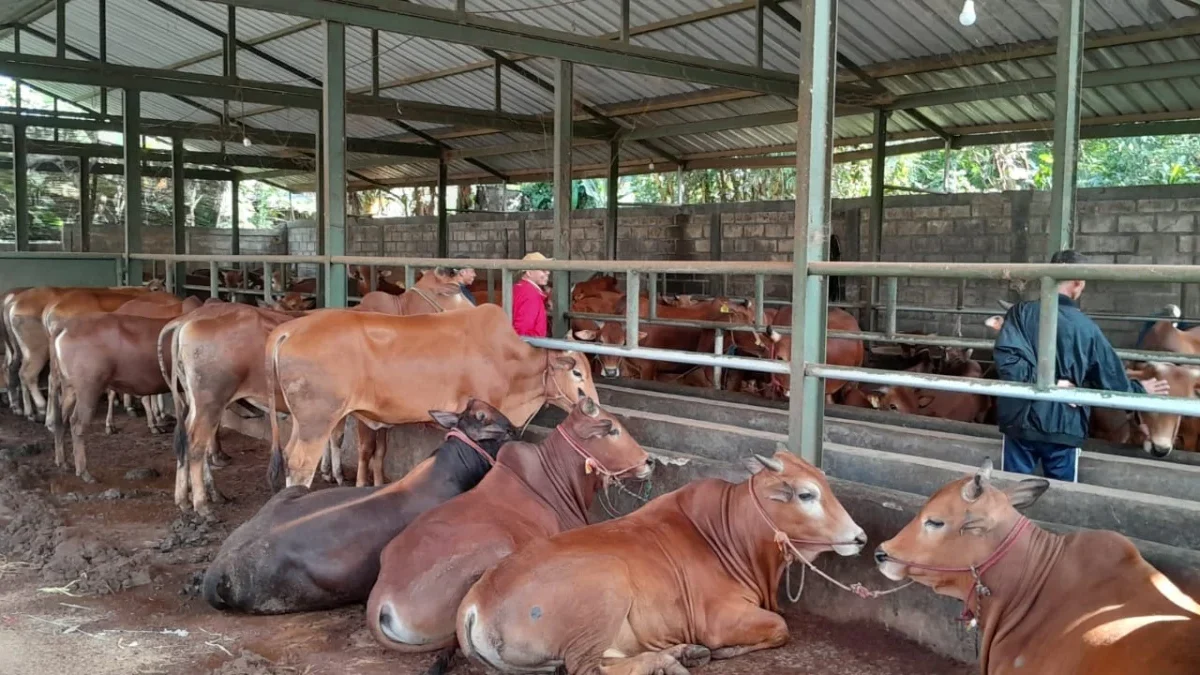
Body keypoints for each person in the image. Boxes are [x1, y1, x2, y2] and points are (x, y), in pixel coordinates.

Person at [992, 249, 1170, 482]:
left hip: (1019, 421)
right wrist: (1139, 390)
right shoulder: (1088, 329)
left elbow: (1009, 364)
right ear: (1077, 283)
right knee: (1064, 493)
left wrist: (1051, 382)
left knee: (1011, 493)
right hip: (1065, 424)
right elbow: (1110, 377)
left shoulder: (1020, 313)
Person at [511, 252, 551, 338]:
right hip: (530, 347)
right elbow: (523, 333)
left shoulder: (518, 288)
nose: (548, 272)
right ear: (529, 272)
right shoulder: (530, 295)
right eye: (543, 270)